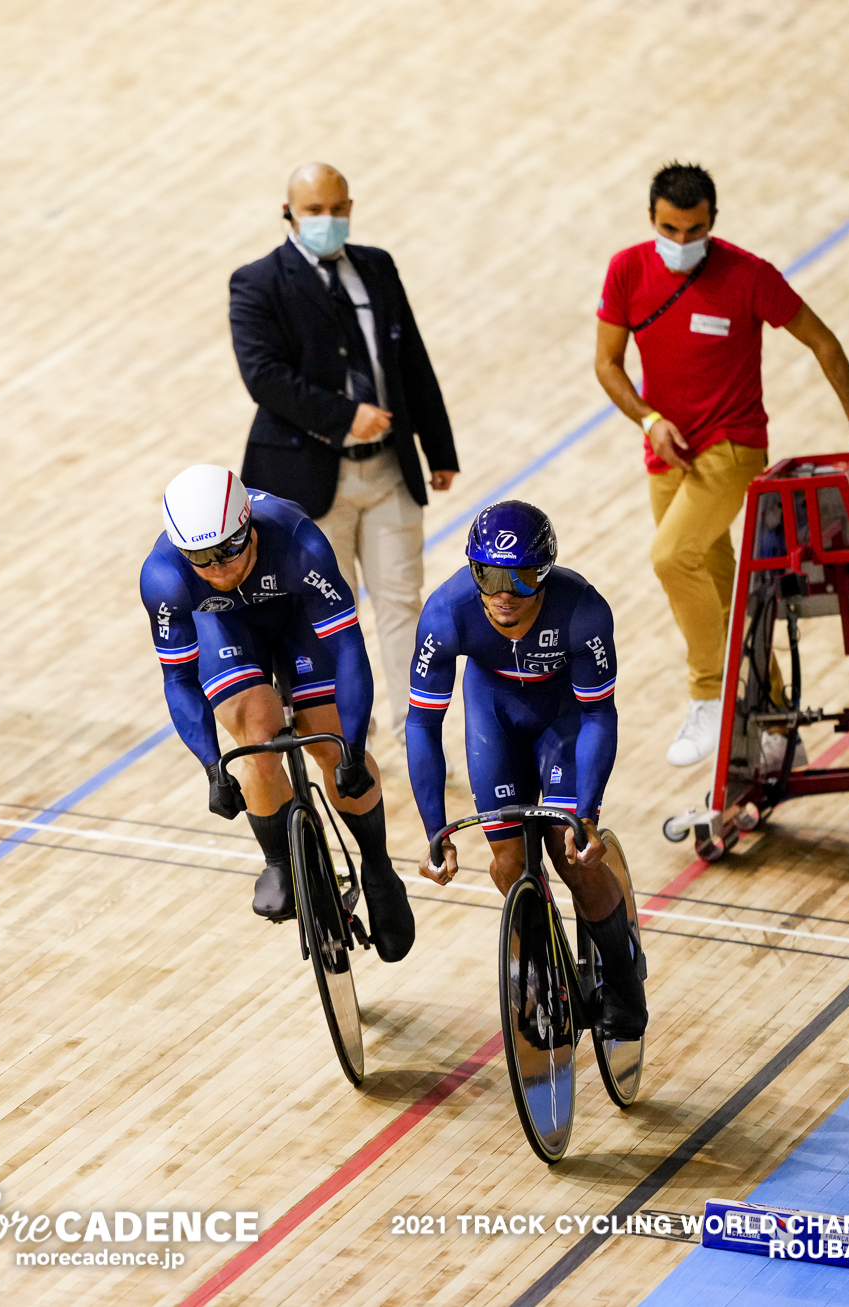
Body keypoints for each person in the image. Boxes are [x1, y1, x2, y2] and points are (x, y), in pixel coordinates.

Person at [594, 161, 849, 767]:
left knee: (671, 556)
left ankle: (709, 697)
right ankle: (779, 718)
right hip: (666, 452)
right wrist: (650, 420)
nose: (681, 243)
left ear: (713, 222)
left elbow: (823, 342)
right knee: (720, 589)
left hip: (731, 448)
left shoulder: (749, 275)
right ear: (651, 219)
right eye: (670, 230)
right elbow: (607, 363)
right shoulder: (627, 269)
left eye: (694, 230)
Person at [140, 464, 414, 963]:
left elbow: (350, 649)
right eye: (201, 558)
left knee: (327, 736)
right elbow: (178, 680)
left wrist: (351, 749)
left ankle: (378, 867)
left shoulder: (298, 542)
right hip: (225, 630)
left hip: (295, 618)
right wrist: (210, 766)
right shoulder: (163, 579)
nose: (219, 568)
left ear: (249, 526)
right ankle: (279, 861)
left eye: (229, 549)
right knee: (257, 737)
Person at [229, 162, 460, 740]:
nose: (328, 221)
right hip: (308, 478)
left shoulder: (377, 268)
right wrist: (344, 416)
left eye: (337, 209)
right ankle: (343, 731)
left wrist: (439, 447)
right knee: (324, 613)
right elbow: (265, 377)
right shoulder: (258, 283)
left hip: (387, 470)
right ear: (288, 214)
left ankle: (418, 735)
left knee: (403, 603)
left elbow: (411, 360)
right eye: (314, 211)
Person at [407, 501, 645, 1037]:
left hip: (561, 717)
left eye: (522, 577)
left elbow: (597, 716)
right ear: (473, 571)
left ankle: (627, 984)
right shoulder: (446, 614)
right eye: (488, 575)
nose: (504, 592)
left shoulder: (582, 611)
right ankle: (539, 969)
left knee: (574, 858)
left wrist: (586, 813)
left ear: (547, 572)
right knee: (509, 865)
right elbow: (422, 726)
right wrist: (434, 830)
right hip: (494, 714)